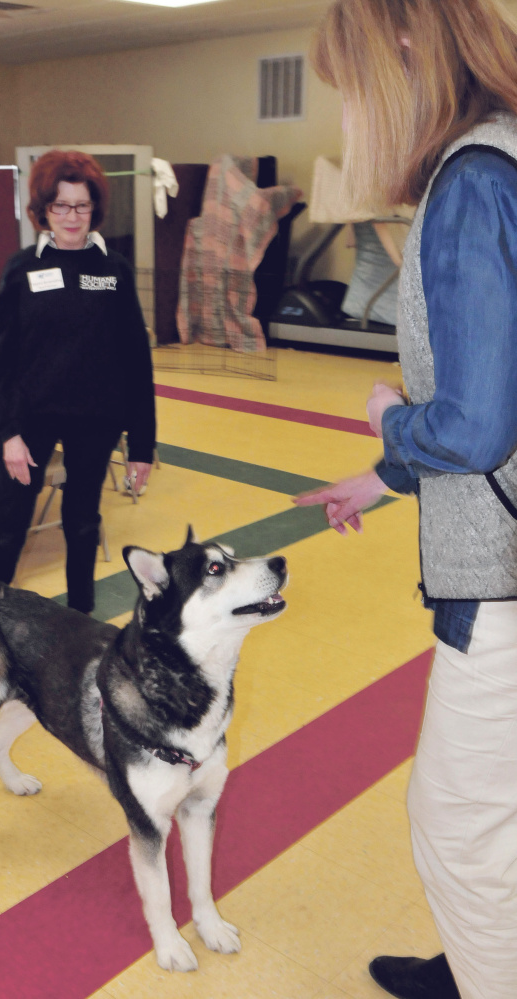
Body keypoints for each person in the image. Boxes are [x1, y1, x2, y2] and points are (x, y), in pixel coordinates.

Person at [297, 2, 517, 997]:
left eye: (347, 94)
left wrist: (392, 423)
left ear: (400, 53)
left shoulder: (471, 182)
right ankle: (477, 956)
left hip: (503, 576)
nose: (347, 125)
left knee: (458, 828)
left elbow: (473, 423)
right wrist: (383, 477)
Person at [0, 149, 156, 614]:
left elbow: (136, 361)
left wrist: (141, 445)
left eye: (81, 205)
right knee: (9, 521)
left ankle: (81, 619)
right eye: (60, 206)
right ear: (43, 211)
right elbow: (1, 360)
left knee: (82, 523)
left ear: (94, 208)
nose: (72, 217)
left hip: (95, 421)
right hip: (31, 418)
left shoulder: (113, 269)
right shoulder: (22, 269)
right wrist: (10, 432)